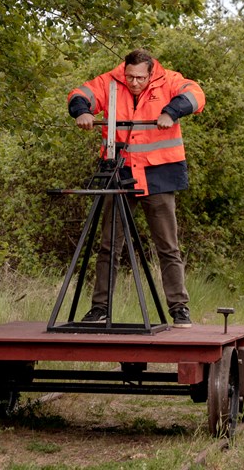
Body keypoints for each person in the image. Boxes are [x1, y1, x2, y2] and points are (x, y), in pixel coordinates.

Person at [67, 49, 205, 328]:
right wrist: (82, 112)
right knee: (109, 245)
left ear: (150, 72)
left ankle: (179, 309)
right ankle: (100, 308)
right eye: (130, 76)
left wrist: (172, 111)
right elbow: (79, 94)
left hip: (159, 173)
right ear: (124, 70)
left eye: (140, 78)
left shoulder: (169, 81)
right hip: (118, 172)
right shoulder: (110, 82)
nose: (134, 82)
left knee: (167, 246)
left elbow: (196, 94)